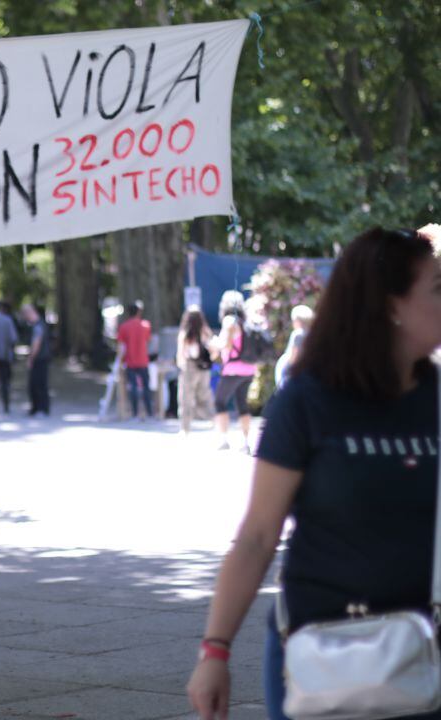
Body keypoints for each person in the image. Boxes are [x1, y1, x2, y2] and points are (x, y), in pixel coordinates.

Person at [187, 226, 441, 720]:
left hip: (424, 656)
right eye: (437, 287)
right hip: (321, 654)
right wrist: (214, 651)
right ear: (389, 304)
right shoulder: (307, 401)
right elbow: (258, 537)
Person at [209, 291, 257, 451]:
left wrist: (214, 343)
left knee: (219, 402)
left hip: (232, 370)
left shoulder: (229, 321)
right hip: (249, 369)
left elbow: (226, 345)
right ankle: (246, 442)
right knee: (242, 404)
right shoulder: (245, 321)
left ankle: (223, 440)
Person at [176, 306, 215, 435]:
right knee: (205, 394)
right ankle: (214, 420)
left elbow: (181, 353)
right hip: (204, 367)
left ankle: (185, 427)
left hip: (189, 366)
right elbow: (212, 348)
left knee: (185, 397)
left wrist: (181, 365)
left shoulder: (185, 333)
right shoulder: (205, 331)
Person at [116, 300, 153, 420]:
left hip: (130, 361)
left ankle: (135, 413)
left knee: (133, 388)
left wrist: (120, 362)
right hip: (143, 360)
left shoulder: (124, 327)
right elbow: (148, 342)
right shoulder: (146, 325)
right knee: (146, 387)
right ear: (138, 312)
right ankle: (149, 413)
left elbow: (121, 347)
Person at [273, 304, 314, 389]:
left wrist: (286, 371)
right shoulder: (313, 333)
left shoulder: (298, 334)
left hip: (294, 370)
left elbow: (294, 355)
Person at [23, 304, 51, 416]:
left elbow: (36, 343)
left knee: (38, 384)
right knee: (36, 384)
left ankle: (41, 409)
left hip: (40, 359)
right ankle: (37, 408)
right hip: (41, 358)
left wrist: (31, 358)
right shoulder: (39, 325)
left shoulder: (38, 326)